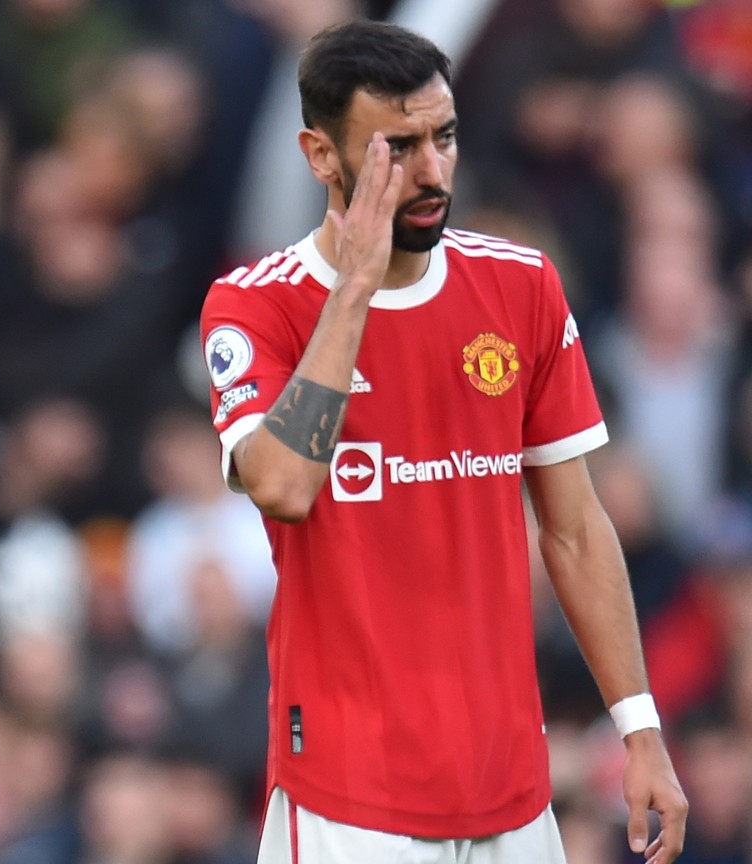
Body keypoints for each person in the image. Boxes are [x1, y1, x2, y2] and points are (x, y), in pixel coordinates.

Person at [199, 21, 688, 864]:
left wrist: (638, 727)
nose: (432, 171)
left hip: (511, 788)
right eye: (398, 147)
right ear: (321, 156)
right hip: (349, 798)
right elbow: (281, 485)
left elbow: (574, 529)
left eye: (445, 136)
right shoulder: (255, 306)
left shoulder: (520, 285)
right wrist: (354, 287)